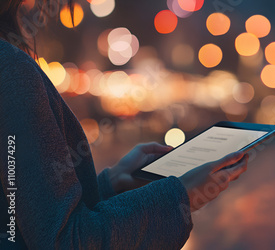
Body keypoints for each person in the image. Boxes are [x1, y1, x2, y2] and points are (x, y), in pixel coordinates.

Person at [0, 0, 249, 248]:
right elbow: (67, 241)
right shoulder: (11, 69)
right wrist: (182, 196)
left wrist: (112, 182)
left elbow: (28, 219)